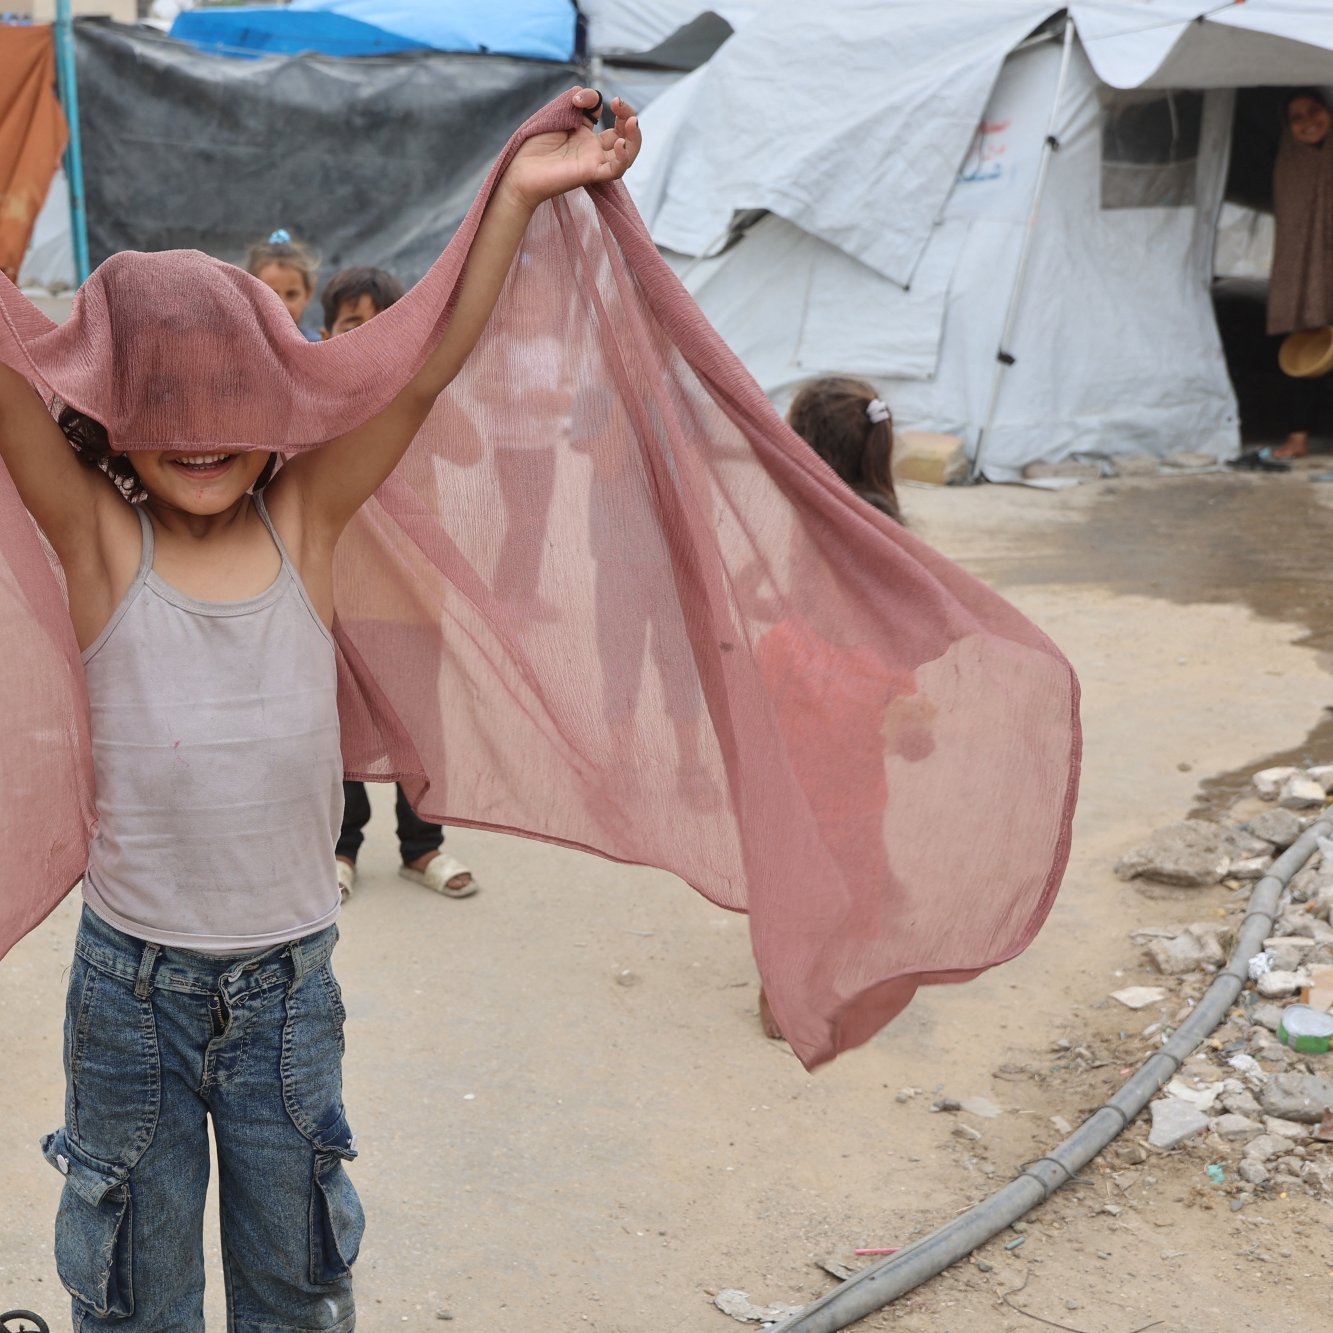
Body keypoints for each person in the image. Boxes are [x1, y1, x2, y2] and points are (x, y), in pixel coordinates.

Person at [0, 87, 636, 1330]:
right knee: (135, 1290)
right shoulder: (94, 545)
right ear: (118, 414)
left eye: (232, 399)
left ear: (280, 403)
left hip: (290, 990)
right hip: (131, 991)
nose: (201, 434)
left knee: (297, 1283)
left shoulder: (308, 522)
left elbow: (422, 367)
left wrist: (512, 192)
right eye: (167, 400)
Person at [755, 376, 908, 1039]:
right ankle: (844, 947)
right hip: (864, 688)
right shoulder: (882, 513)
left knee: (802, 838)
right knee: (852, 824)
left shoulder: (816, 510)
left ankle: (782, 991)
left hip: (807, 677)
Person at [320, 264, 478, 900]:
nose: (367, 334)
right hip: (338, 597)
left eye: (384, 322)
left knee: (420, 728)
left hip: (413, 599)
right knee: (338, 729)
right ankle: (340, 847)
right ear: (327, 333)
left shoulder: (420, 395)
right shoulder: (320, 400)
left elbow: (466, 445)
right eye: (351, 323)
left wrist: (420, 382)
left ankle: (423, 845)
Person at [1268, 90, 1333, 459]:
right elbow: (1291, 226)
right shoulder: (1288, 164)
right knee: (1304, 351)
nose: (1308, 121)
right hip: (1305, 272)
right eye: (1297, 117)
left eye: (1314, 111)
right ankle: (1298, 437)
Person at [247, 228, 320, 338]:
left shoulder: (316, 348)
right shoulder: (240, 348)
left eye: (291, 295)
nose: (283, 306)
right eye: (271, 296)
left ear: (308, 294)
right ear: (250, 295)